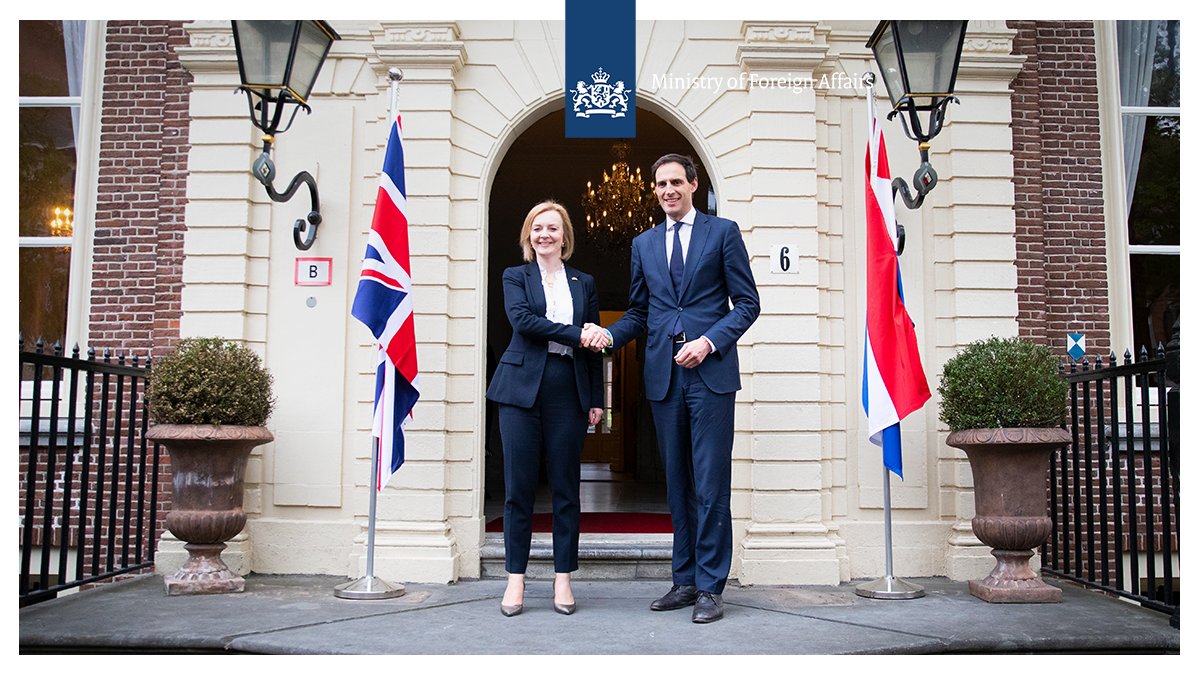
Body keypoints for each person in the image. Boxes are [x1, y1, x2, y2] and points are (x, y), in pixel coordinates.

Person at [583, 154, 760, 623]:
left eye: (676, 182)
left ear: (694, 185)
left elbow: (747, 303)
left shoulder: (722, 233)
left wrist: (708, 341)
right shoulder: (642, 244)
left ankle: (710, 587)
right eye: (660, 184)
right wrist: (609, 336)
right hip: (663, 376)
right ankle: (683, 580)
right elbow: (641, 312)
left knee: (710, 482)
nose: (668, 190)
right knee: (676, 484)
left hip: (711, 374)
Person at [486, 200, 605, 617]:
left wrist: (596, 399)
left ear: (564, 236)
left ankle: (563, 579)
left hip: (567, 391)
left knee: (565, 489)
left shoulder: (583, 282)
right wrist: (579, 333)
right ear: (528, 235)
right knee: (518, 490)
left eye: (552, 228)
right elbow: (524, 323)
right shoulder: (514, 276)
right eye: (537, 228)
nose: (544, 235)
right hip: (519, 390)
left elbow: (593, 351)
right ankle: (515, 580)